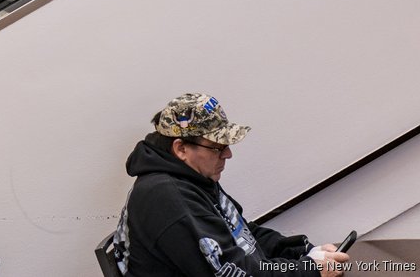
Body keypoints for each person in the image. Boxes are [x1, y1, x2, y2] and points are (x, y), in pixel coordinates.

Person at [114, 92, 350, 276]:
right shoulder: (168, 197)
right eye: (218, 148)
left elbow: (245, 234)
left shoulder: (193, 178)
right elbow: (234, 271)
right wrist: (307, 270)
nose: (228, 155)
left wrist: (304, 252)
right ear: (181, 148)